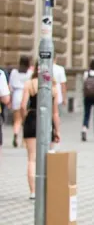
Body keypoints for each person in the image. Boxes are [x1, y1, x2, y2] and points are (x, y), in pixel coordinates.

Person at [14, 59, 60, 200]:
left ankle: (33, 191)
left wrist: (24, 119)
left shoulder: (29, 84)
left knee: (32, 159)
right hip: (47, 121)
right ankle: (47, 189)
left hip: (32, 118)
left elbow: (22, 105)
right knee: (48, 158)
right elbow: (55, 112)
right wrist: (57, 130)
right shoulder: (52, 86)